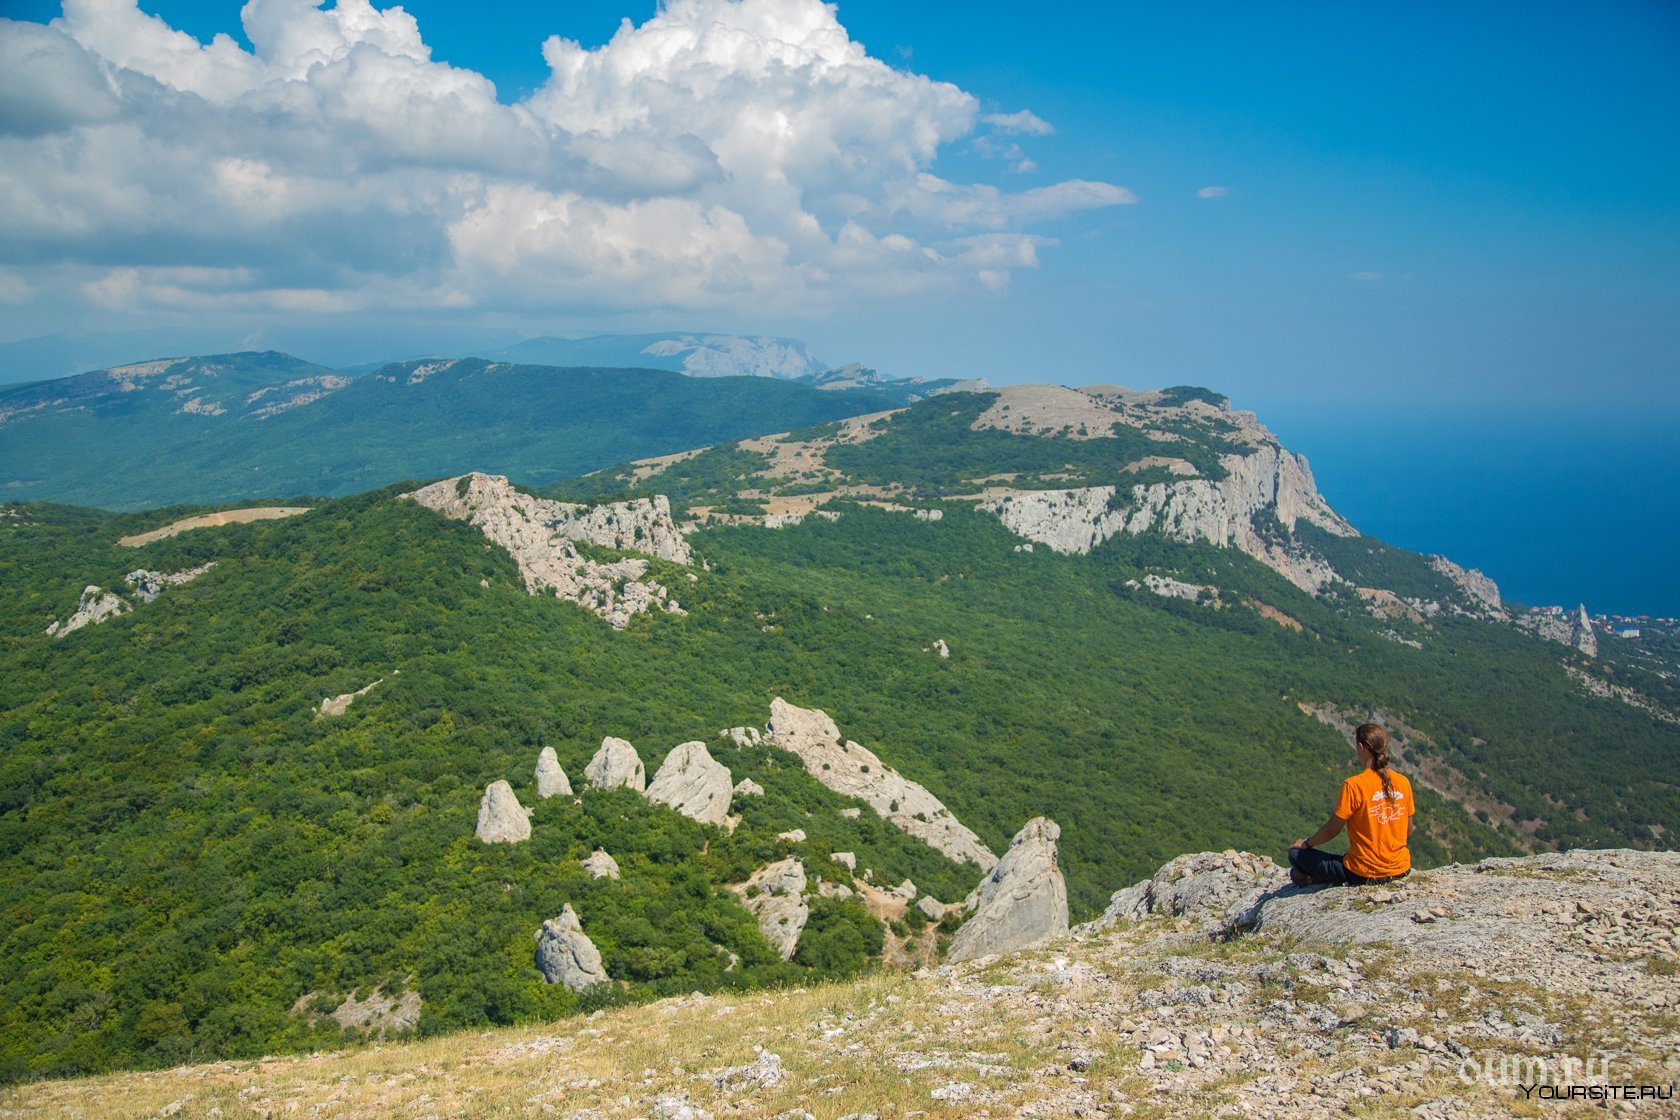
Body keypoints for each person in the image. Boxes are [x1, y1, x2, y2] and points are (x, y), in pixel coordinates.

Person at [1288, 723, 1414, 887]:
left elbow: (1331, 830)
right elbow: (1408, 830)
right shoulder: (1403, 782)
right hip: (1401, 869)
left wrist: (1307, 843)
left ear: (1361, 747)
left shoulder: (1354, 785)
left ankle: (1313, 878)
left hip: (1363, 873)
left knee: (1296, 855)